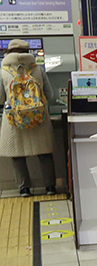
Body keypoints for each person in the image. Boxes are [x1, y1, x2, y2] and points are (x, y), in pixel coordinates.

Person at [0, 39, 57, 196]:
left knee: (17, 155)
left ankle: (24, 189)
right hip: (39, 118)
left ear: (8, 53)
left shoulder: (3, 71)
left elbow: (0, 98)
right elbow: (50, 96)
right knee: (44, 153)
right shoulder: (37, 70)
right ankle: (50, 187)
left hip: (13, 120)